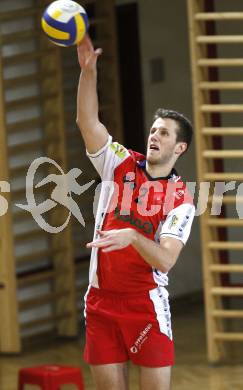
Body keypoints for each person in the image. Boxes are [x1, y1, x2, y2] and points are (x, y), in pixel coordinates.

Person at [76, 35, 195, 390]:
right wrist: (87, 73)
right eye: (154, 130)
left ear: (180, 147)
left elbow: (166, 260)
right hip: (100, 301)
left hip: (145, 305)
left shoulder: (181, 199)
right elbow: (87, 121)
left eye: (165, 133)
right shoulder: (121, 161)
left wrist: (132, 236)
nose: (154, 136)